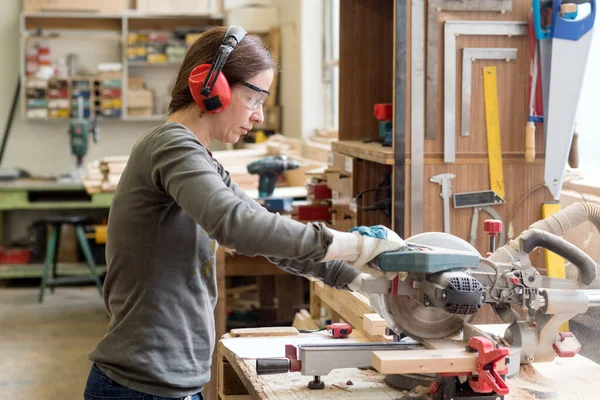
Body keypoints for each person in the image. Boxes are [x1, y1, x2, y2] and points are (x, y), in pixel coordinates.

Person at [84, 25, 404, 400]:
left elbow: (262, 227)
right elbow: (236, 226)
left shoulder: (199, 158)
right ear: (211, 88)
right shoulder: (171, 147)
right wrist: (356, 245)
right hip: (140, 386)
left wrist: (359, 278)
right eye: (254, 99)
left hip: (166, 383)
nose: (259, 117)